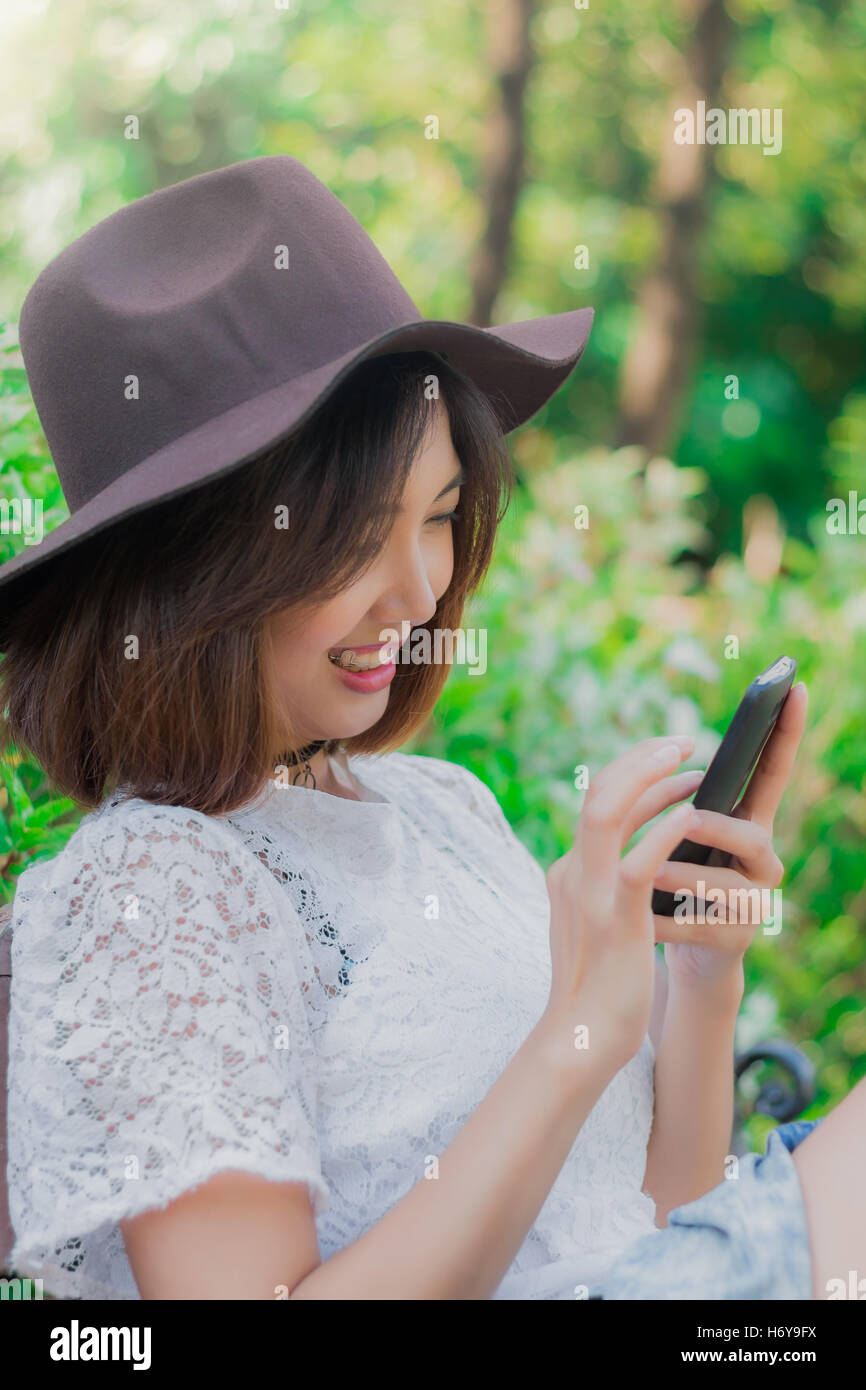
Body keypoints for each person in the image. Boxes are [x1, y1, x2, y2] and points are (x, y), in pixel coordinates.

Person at [0, 156, 857, 1302]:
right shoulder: (148, 888)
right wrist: (574, 1035)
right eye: (352, 538)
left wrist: (697, 979)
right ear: (190, 568)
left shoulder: (438, 806)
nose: (415, 594)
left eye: (441, 517)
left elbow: (654, 1223)